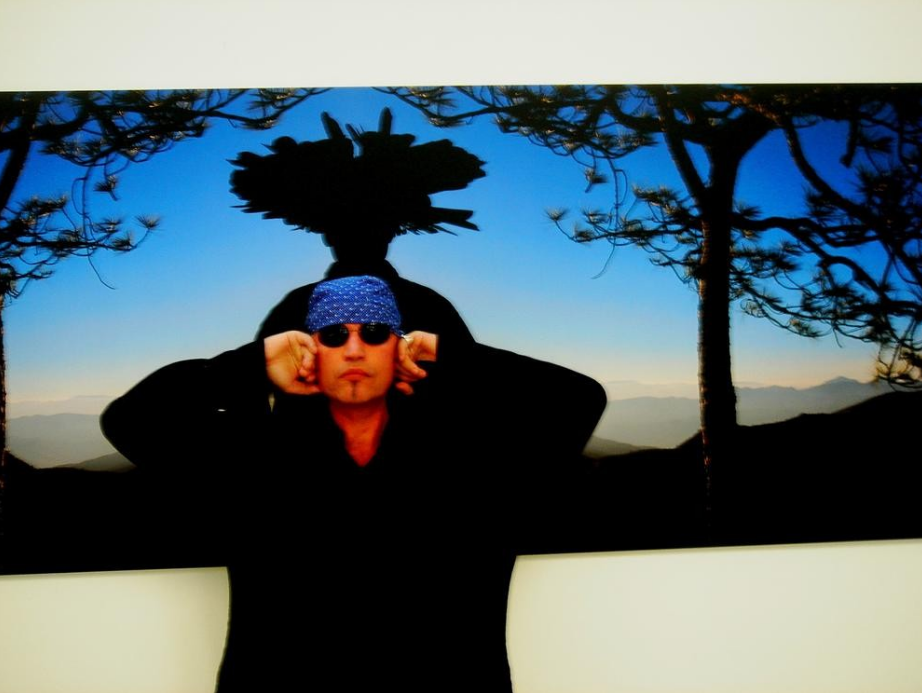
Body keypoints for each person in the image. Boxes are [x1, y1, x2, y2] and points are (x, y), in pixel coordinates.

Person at [101, 275, 606, 692]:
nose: (355, 349)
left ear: (400, 349)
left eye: (376, 333)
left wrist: (450, 354)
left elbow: (578, 400)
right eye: (333, 336)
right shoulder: (253, 460)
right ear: (311, 352)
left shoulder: (475, 463)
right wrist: (253, 363)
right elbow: (131, 420)